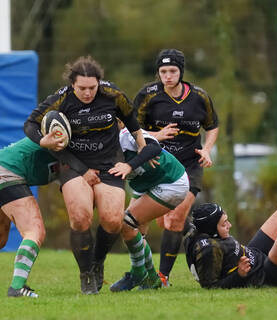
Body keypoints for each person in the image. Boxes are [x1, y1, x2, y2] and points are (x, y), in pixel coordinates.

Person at [24, 56, 146, 295]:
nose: (88, 93)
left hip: (109, 163)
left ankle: (97, 262)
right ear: (72, 85)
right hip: (73, 164)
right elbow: (30, 124)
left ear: (99, 82)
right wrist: (43, 140)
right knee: (80, 217)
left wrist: (141, 144)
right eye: (82, 89)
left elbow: (132, 119)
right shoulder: (60, 99)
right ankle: (86, 274)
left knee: (113, 220)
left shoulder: (113, 95)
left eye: (92, 87)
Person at [133, 48, 219, 286]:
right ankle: (203, 241)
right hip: (159, 164)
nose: (167, 76)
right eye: (163, 71)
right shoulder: (148, 95)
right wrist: (157, 134)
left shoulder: (200, 97)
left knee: (174, 219)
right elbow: (131, 131)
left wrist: (208, 149)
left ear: (181, 71)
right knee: (165, 221)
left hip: (190, 165)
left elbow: (212, 126)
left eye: (172, 71)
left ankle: (162, 277)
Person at [96, 119, 189, 291]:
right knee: (132, 231)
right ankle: (151, 279)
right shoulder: (101, 145)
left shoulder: (128, 136)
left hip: (171, 181)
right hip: (146, 184)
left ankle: (139, 274)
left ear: (120, 123)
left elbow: (154, 147)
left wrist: (130, 165)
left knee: (126, 224)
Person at [184, 201, 277, 289]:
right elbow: (210, 288)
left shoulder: (199, 229)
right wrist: (239, 275)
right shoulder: (208, 250)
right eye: (223, 223)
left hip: (256, 253)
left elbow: (179, 221)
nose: (229, 225)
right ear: (211, 229)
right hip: (265, 277)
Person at [0, 135, 61, 298]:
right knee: (34, 231)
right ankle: (17, 288)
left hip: (5, 170)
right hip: (7, 171)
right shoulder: (60, 137)